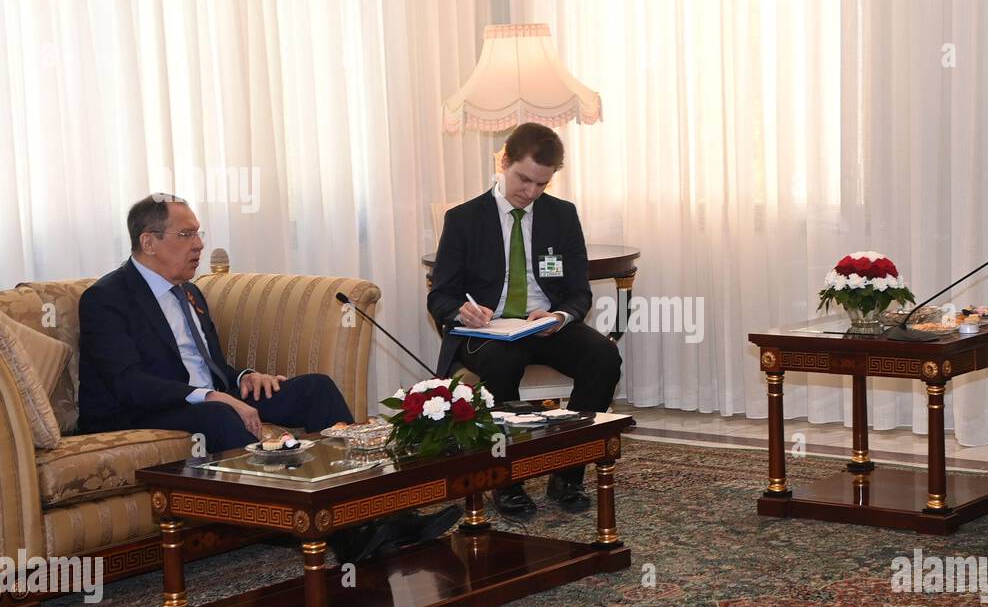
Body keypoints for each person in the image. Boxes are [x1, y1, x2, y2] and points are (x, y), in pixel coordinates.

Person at [79, 194, 457, 562]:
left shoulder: (190, 292)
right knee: (221, 414)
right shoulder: (108, 298)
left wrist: (244, 377)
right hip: (143, 410)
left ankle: (380, 513)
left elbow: (209, 366)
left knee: (315, 389)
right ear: (149, 241)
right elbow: (129, 383)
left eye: (199, 233)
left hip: (205, 397)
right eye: (186, 235)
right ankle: (330, 529)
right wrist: (213, 397)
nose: (199, 244)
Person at [427, 123, 622, 514]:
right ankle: (506, 480)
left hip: (543, 325)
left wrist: (560, 315)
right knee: (503, 364)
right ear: (504, 161)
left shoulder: (562, 216)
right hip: (489, 331)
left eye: (541, 185)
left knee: (604, 357)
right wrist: (460, 310)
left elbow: (579, 291)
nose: (529, 192)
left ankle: (568, 473)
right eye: (523, 179)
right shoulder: (464, 219)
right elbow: (441, 294)